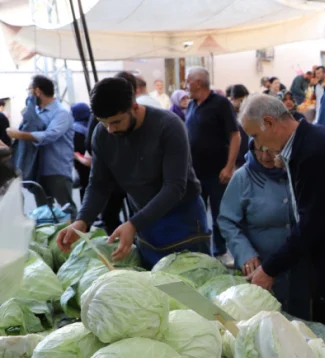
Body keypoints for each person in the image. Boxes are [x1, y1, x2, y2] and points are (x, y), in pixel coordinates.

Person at [239, 94, 325, 332]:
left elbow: (313, 223)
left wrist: (270, 268)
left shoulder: (313, 152)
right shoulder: (308, 140)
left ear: (270, 123)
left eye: (256, 136)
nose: (258, 145)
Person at [56, 77, 210, 267]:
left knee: (191, 282)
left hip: (182, 219)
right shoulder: (102, 134)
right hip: (144, 220)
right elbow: (98, 184)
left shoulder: (169, 126)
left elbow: (175, 187)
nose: (110, 129)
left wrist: (134, 224)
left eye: (116, 122)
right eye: (103, 122)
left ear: (134, 106)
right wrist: (82, 220)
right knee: (156, 287)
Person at [218, 136, 312, 318]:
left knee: (300, 325)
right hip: (261, 268)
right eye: (259, 150)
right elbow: (227, 221)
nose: (265, 156)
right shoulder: (243, 178)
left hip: (297, 268)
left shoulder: (295, 172)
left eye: (271, 150)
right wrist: (245, 253)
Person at [185, 67, 241, 263]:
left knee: (220, 214)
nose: (185, 86)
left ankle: (221, 251)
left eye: (187, 81)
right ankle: (201, 252)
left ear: (197, 82)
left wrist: (229, 166)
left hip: (218, 171)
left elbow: (235, 136)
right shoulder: (191, 105)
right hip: (194, 172)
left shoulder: (220, 103)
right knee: (196, 214)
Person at [6, 75, 75, 217]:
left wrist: (20, 135)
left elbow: (50, 135)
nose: (28, 94)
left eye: (29, 90)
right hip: (37, 170)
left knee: (67, 209)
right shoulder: (35, 113)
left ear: (37, 91)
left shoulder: (61, 113)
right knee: (44, 213)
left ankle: (77, 235)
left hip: (57, 170)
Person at [71, 102, 92, 201]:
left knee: (86, 188)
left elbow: (76, 149)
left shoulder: (74, 129)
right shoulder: (92, 125)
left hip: (83, 163)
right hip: (96, 162)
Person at [226, 84, 251, 168]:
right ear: (233, 99)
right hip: (235, 160)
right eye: (241, 100)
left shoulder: (247, 113)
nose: (244, 104)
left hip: (247, 157)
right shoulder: (228, 114)